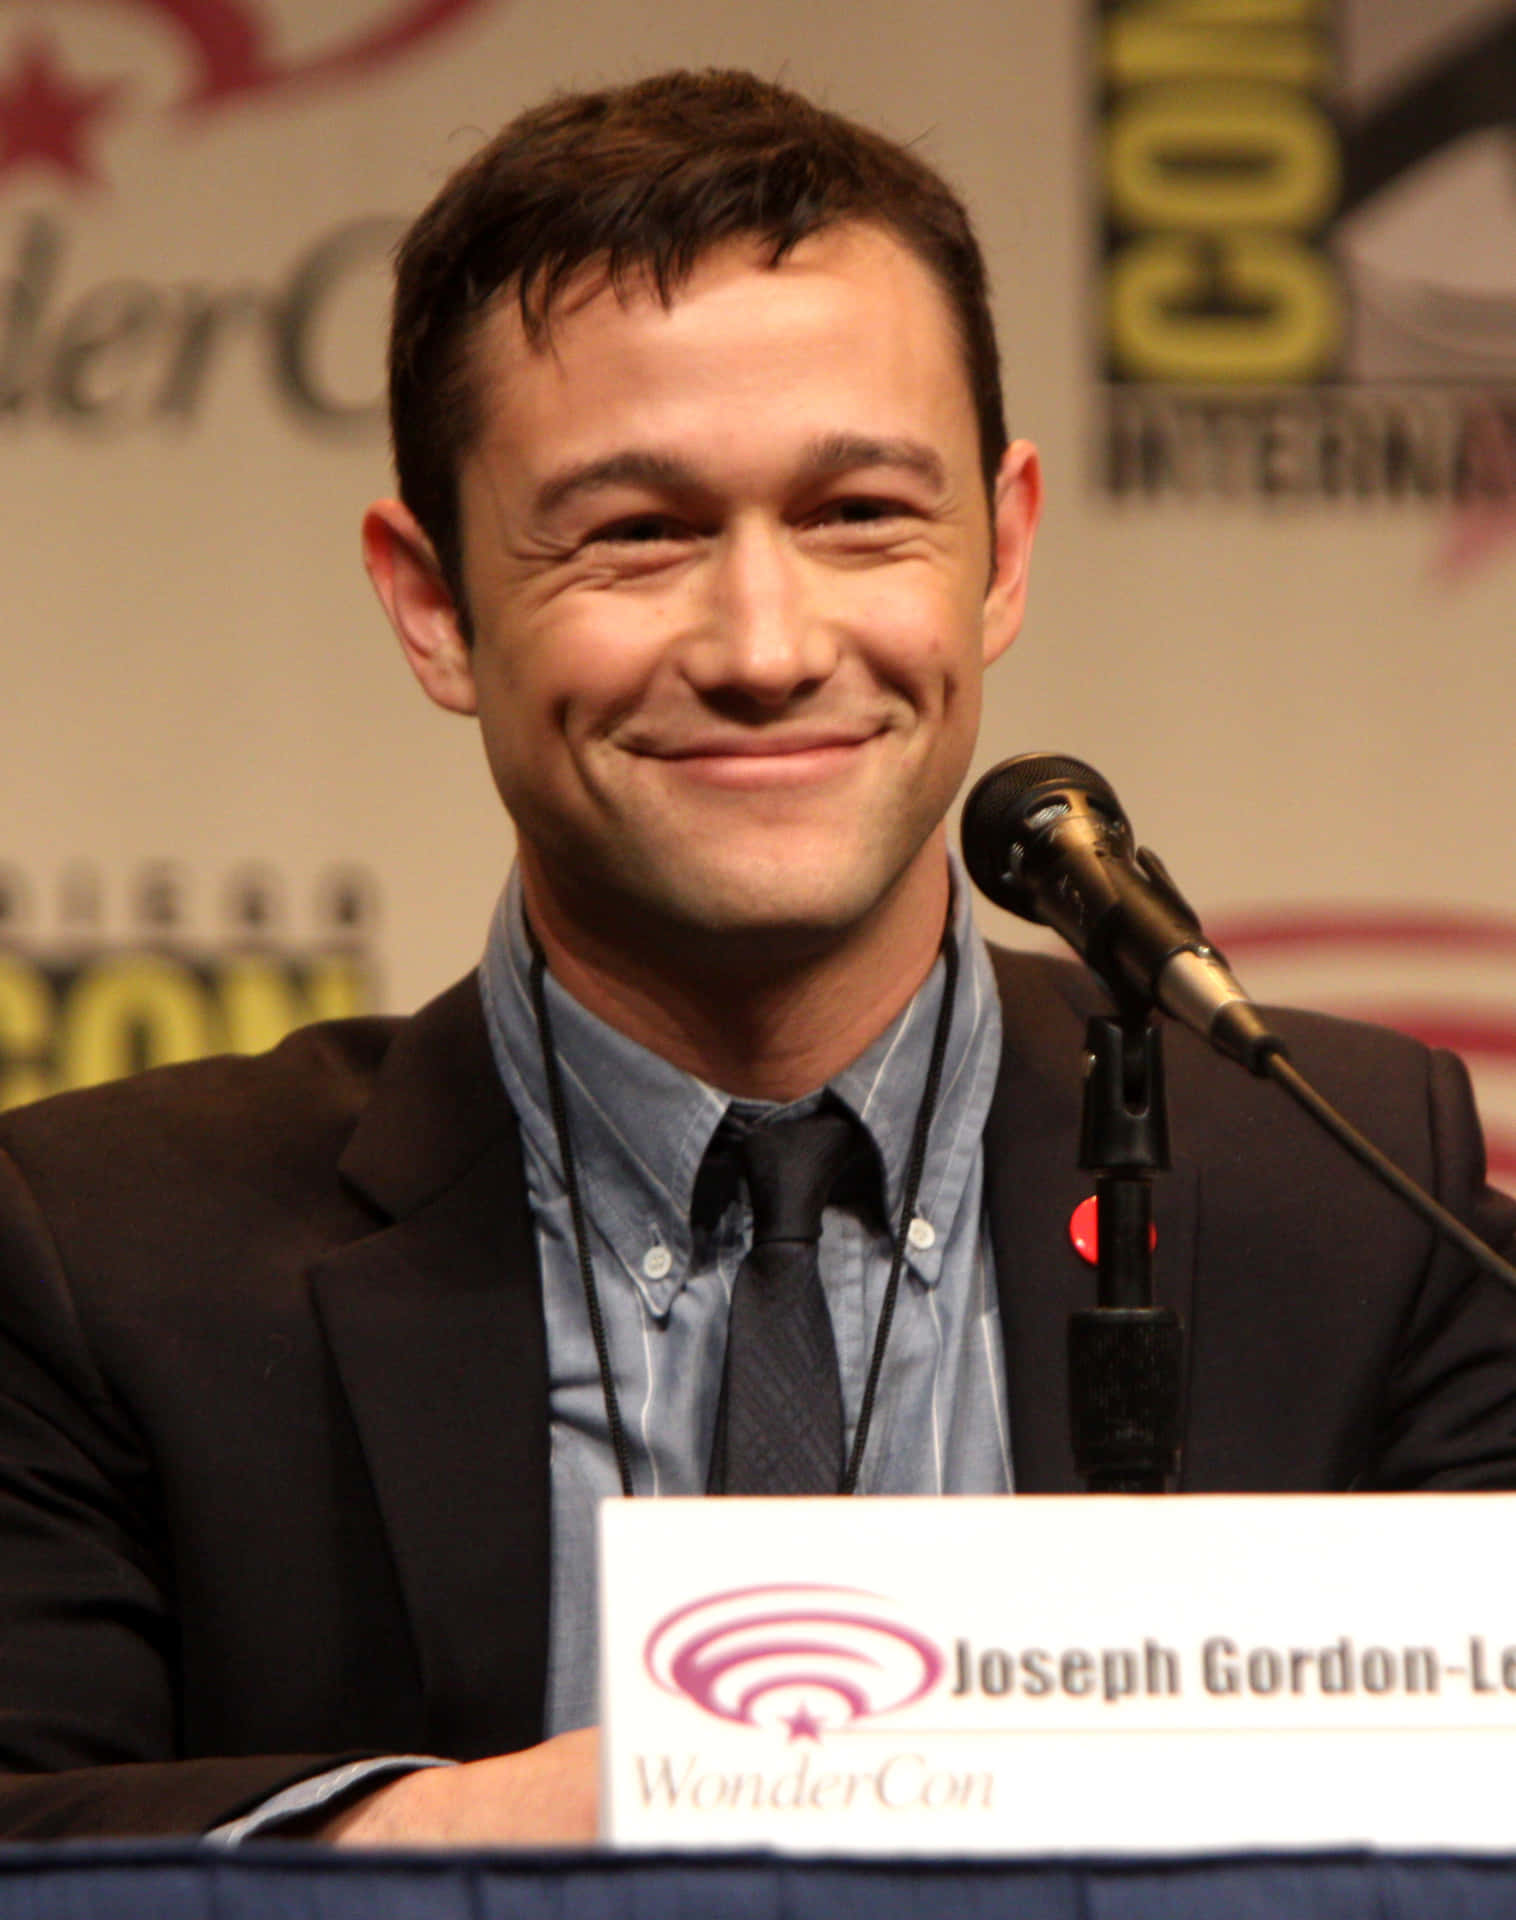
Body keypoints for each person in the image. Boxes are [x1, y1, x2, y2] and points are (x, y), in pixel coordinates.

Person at [1, 68, 1513, 1847]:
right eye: (636, 532)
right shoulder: (106, 1253)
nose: (766, 643)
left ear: (1004, 551)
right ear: (434, 606)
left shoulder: (1343, 1190)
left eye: (860, 511)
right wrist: (470, 1834)